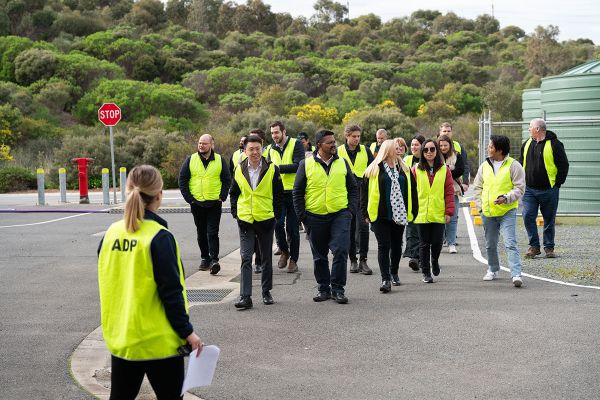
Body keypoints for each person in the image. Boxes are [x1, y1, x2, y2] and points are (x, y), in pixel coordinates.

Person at [98, 165, 203, 399]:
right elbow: (172, 294)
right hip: (159, 343)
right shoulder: (159, 237)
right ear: (159, 194)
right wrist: (188, 333)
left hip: (123, 340)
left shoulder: (111, 234)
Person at [293, 129, 358, 304]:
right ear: (319, 145)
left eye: (334, 141)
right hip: (314, 217)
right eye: (329, 142)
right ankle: (324, 288)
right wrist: (303, 217)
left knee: (341, 250)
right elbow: (297, 192)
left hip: (340, 215)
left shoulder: (342, 163)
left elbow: (353, 188)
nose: (334, 145)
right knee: (319, 256)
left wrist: (350, 211)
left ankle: (338, 289)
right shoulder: (305, 165)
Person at [230, 135, 284, 309]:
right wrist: (236, 213)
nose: (254, 152)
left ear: (262, 149)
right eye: (251, 149)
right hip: (245, 219)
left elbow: (278, 194)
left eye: (257, 148)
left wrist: (275, 215)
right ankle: (245, 296)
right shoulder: (238, 169)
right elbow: (234, 192)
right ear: (245, 151)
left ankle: (266, 291)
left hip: (265, 219)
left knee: (266, 257)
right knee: (246, 257)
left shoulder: (272, 169)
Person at [361, 140, 418, 292]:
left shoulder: (404, 168)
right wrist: (365, 213)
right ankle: (385, 279)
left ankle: (394, 272)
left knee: (397, 244)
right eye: (396, 148)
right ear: (387, 150)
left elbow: (413, 189)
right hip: (380, 214)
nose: (399, 150)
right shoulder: (374, 168)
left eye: (400, 148)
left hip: (400, 212)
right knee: (383, 246)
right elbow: (364, 192)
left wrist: (415, 209)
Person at [473, 135, 526, 287]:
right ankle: (493, 269)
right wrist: (480, 207)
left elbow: (519, 188)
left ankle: (516, 274)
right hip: (488, 212)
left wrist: (506, 197)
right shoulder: (484, 166)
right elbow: (477, 187)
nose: (488, 149)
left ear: (500, 150)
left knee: (510, 242)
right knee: (490, 244)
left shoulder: (514, 165)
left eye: (491, 147)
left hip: (507, 211)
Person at [179, 134, 231, 274]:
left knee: (212, 232)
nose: (201, 145)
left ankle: (214, 260)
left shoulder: (220, 160)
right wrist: (189, 199)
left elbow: (227, 179)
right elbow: (182, 180)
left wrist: (222, 196)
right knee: (201, 232)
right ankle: (205, 258)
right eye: (200, 143)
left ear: (212, 145)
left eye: (204, 143)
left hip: (214, 203)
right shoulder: (190, 160)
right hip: (197, 203)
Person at [519, 118, 569, 259]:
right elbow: (520, 162)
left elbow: (563, 165)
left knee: (548, 219)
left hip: (549, 190)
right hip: (529, 190)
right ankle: (534, 247)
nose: (528, 129)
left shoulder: (555, 144)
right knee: (528, 216)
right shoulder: (527, 143)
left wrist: (557, 183)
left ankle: (549, 247)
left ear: (537, 129)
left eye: (530, 127)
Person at [412, 139, 455, 283]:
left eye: (432, 149)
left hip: (438, 212)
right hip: (421, 212)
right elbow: (411, 192)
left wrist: (448, 212)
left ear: (437, 151)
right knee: (424, 244)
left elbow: (449, 192)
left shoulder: (445, 170)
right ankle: (426, 272)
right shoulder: (415, 169)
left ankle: (435, 260)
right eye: (426, 150)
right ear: (422, 152)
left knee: (436, 242)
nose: (429, 152)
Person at [266, 121, 304, 273]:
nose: (274, 136)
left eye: (277, 132)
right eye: (272, 133)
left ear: (284, 132)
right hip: (278, 193)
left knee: (293, 229)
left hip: (294, 192)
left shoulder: (296, 144)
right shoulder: (270, 149)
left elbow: (299, 165)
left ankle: (293, 260)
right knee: (277, 223)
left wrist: (277, 169)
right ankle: (284, 250)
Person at [337, 124, 374, 274]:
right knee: (350, 228)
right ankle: (352, 259)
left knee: (364, 226)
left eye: (359, 136)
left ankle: (363, 260)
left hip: (362, 192)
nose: (357, 139)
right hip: (345, 192)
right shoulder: (338, 151)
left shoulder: (365, 150)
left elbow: (374, 169)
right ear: (347, 136)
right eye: (354, 136)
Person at [438, 134, 464, 254]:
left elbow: (460, 170)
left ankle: (451, 243)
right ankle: (441, 240)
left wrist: (446, 171)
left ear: (450, 145)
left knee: (452, 218)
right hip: (437, 191)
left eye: (445, 145)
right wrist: (449, 169)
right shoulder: (434, 156)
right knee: (439, 218)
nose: (443, 147)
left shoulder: (456, 156)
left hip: (453, 190)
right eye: (441, 145)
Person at [403, 134, 426, 272]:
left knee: (424, 231)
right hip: (411, 200)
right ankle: (414, 257)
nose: (413, 147)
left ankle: (424, 258)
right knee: (411, 229)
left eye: (416, 144)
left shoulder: (429, 159)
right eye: (411, 145)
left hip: (425, 200)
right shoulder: (407, 160)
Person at [439, 122, 470, 193]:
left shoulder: (458, 146)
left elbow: (465, 165)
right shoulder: (434, 146)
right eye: (444, 131)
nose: (446, 133)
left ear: (452, 132)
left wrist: (465, 182)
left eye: (448, 131)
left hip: (455, 186)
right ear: (440, 132)